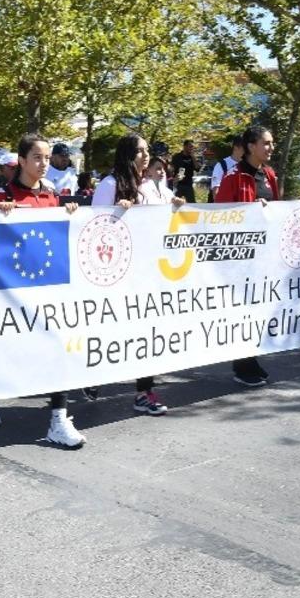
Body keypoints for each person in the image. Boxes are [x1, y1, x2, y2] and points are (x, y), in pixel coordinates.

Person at [0, 134, 87, 445]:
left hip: (47, 287)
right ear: (21, 160)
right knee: (7, 350)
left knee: (58, 347)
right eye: (37, 158)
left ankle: (58, 419)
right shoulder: (2, 195)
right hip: (10, 292)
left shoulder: (51, 194)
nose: (44, 163)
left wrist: (69, 214)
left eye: (46, 157)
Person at [90, 136, 183, 414]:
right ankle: (92, 375)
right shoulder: (109, 185)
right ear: (127, 154)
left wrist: (175, 207)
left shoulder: (148, 186)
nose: (145, 155)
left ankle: (144, 392)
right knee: (110, 330)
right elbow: (93, 225)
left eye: (146, 151)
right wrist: (118, 213)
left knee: (147, 331)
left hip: (146, 270)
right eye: (139, 151)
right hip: (115, 273)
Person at [214, 125, 281, 387]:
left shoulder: (269, 174)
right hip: (239, 257)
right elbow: (220, 215)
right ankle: (242, 365)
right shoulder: (233, 176)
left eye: (272, 142)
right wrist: (249, 210)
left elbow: (277, 209)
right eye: (266, 143)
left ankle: (250, 359)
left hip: (262, 254)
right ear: (251, 146)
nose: (271, 147)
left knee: (256, 309)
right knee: (241, 311)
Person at [208, 136, 244, 202]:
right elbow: (216, 194)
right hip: (228, 206)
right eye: (245, 148)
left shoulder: (250, 165)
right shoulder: (221, 165)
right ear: (236, 147)